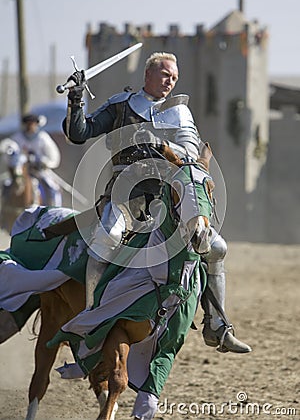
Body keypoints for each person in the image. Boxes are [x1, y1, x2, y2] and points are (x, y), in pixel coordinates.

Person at [64, 51, 251, 356]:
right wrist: (75, 98)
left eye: (174, 77)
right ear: (148, 75)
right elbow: (78, 133)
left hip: (170, 195)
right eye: (165, 75)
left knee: (216, 247)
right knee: (105, 239)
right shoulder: (120, 106)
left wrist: (163, 145)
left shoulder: (180, 113)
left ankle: (217, 325)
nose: (169, 82)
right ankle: (90, 318)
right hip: (127, 194)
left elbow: (191, 154)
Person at [12, 113, 62, 206]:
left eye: (33, 124)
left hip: (39, 171)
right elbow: (13, 155)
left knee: (52, 188)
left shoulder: (42, 138)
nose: (31, 126)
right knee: (7, 186)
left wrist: (45, 162)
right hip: (22, 171)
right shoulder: (17, 138)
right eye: (28, 124)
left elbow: (52, 155)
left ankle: (54, 210)